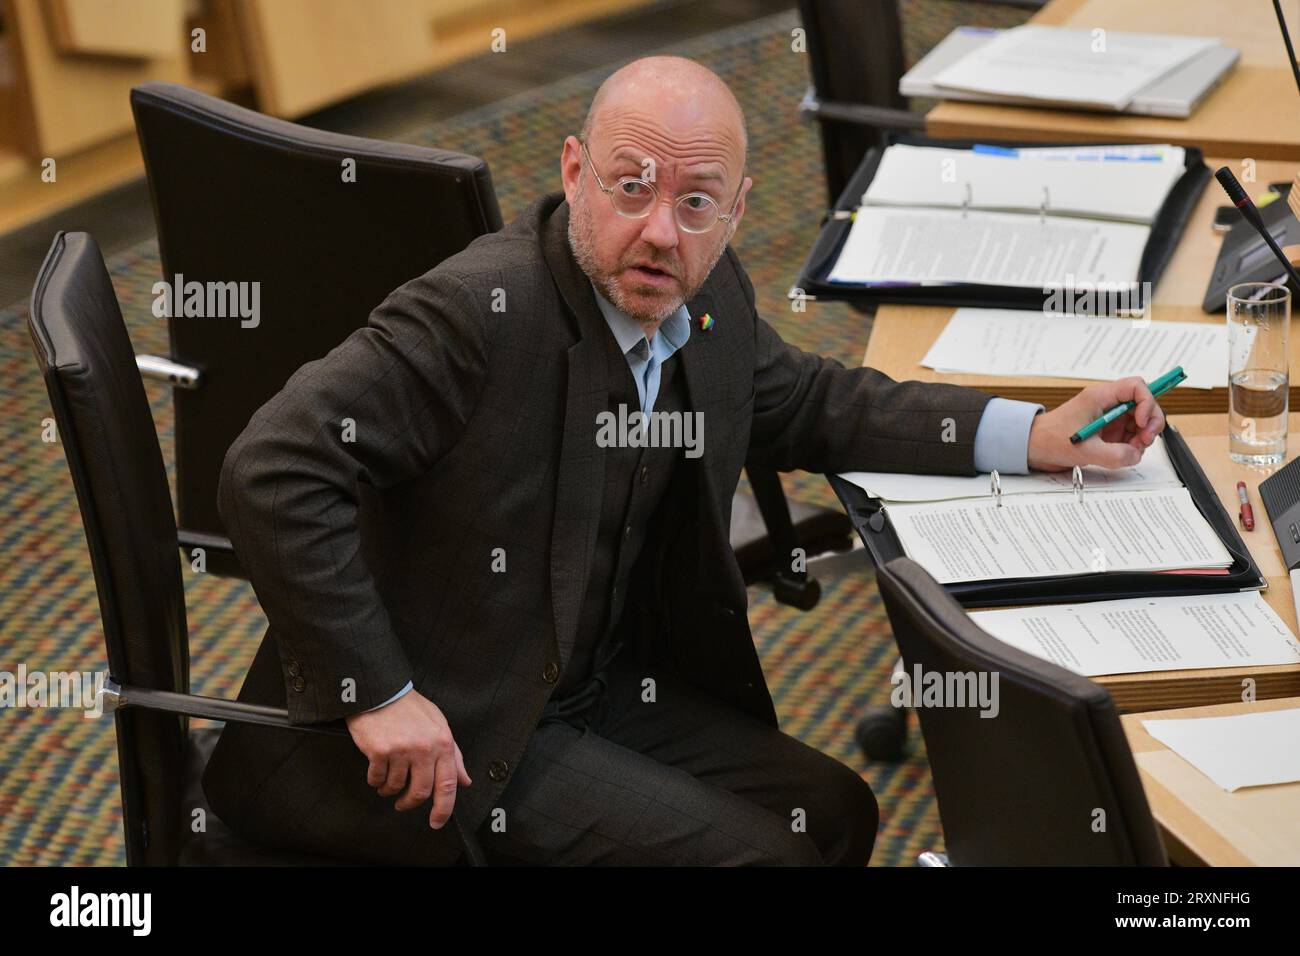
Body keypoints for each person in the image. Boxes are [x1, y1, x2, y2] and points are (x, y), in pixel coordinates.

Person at [202, 55, 1166, 866]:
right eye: (633, 187)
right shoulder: (477, 315)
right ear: (574, 170)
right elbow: (273, 468)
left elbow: (815, 403)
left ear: (739, 210)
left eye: (697, 202)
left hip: (584, 688)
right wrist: (379, 693)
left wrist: (1030, 432)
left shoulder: (706, 300)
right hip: (448, 726)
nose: (662, 229)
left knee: (835, 815)